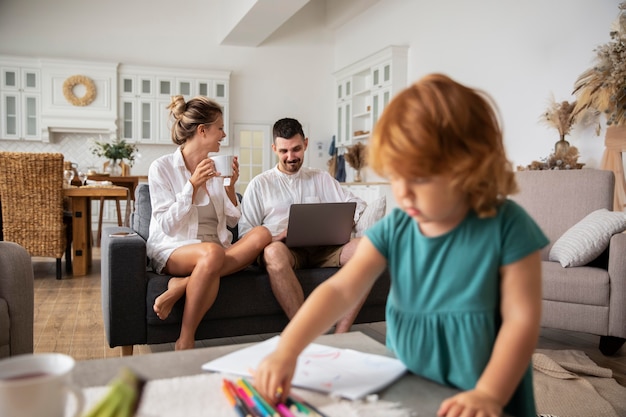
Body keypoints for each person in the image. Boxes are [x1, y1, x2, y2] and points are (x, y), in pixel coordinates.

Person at [253, 75, 549, 417]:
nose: (403, 193)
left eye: (419, 178)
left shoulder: (507, 226)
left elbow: (522, 321)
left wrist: (489, 393)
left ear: (468, 166)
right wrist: (288, 349)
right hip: (408, 386)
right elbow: (339, 290)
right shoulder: (399, 227)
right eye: (396, 176)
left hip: (485, 394)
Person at [147, 95, 272, 351]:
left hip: (212, 248)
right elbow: (167, 226)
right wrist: (191, 186)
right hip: (174, 247)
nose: (224, 135)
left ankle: (182, 286)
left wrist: (230, 186)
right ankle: (186, 337)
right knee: (213, 252)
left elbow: (234, 220)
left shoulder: (216, 167)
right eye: (220, 128)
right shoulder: (162, 168)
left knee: (261, 234)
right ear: (202, 131)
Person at [239, 117, 367, 333]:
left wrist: (343, 223)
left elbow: (359, 205)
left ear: (306, 143)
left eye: (296, 149)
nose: (291, 157)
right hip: (285, 249)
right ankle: (305, 333)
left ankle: (341, 333)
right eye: (284, 151)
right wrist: (276, 237)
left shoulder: (321, 178)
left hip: (324, 247)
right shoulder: (260, 184)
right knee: (273, 253)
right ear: (274, 149)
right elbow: (245, 234)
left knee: (367, 249)